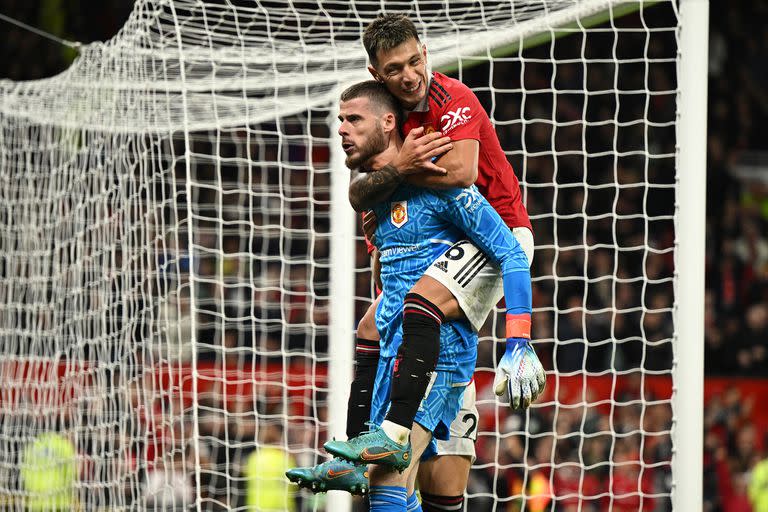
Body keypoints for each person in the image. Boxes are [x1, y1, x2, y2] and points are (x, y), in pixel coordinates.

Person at [305, 80, 542, 511]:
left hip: (440, 352)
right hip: (406, 352)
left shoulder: (441, 179)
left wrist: (520, 339)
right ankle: (360, 447)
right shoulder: (378, 200)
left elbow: (509, 249)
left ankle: (388, 437)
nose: (341, 128)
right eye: (340, 120)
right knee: (394, 489)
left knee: (400, 477)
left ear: (389, 122)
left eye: (353, 119)